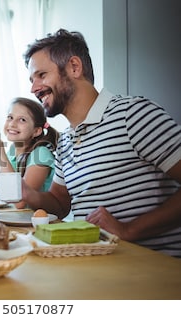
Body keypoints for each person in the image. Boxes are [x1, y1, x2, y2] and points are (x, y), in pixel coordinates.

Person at [21, 28, 181, 257]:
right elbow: (60, 202)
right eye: (31, 79)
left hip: (151, 269)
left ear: (74, 67)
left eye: (41, 75)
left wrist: (129, 229)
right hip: (99, 264)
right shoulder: (65, 140)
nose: (33, 88)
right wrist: (29, 193)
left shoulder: (132, 114)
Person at [0, 97, 58, 209]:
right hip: (15, 219)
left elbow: (19, 202)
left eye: (22, 120)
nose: (12, 124)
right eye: (10, 117)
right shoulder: (13, 152)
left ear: (36, 131)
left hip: (35, 222)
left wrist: (0, 155)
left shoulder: (41, 154)